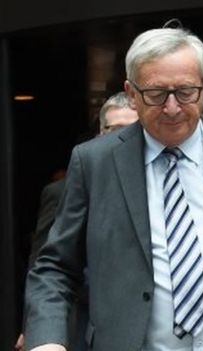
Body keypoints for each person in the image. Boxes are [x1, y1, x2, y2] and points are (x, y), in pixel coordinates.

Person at [23, 27, 203, 351]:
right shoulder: (95, 163)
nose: (173, 107)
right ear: (131, 92)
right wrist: (47, 340)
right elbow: (55, 267)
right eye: (156, 94)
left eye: (186, 91)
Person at [15, 92, 139, 351]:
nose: (121, 139)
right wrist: (35, 328)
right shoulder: (63, 191)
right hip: (89, 321)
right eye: (113, 129)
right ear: (99, 133)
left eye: (131, 130)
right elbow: (46, 263)